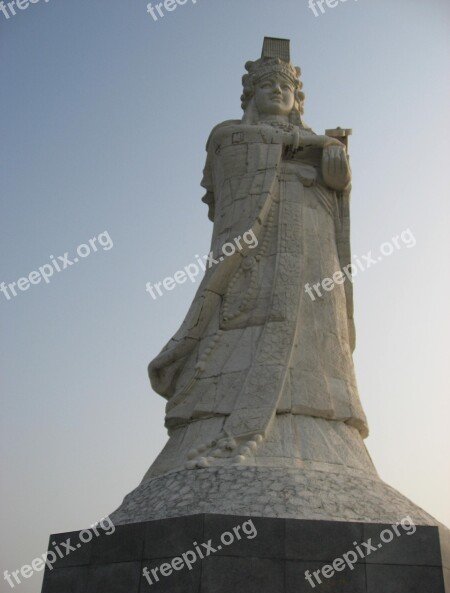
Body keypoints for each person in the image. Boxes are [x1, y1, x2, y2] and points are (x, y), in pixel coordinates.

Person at [145, 41, 369, 477]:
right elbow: (233, 159)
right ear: (249, 96)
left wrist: (337, 170)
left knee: (317, 325)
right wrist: (306, 146)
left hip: (313, 243)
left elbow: (336, 187)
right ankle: (215, 419)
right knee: (240, 317)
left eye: (284, 87)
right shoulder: (230, 133)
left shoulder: (314, 141)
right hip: (254, 248)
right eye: (265, 85)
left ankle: (318, 416)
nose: (276, 92)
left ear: (297, 99)